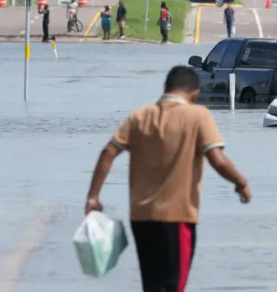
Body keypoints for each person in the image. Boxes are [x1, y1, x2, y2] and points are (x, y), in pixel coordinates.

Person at [84, 66, 251, 292]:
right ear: (195, 94)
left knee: (152, 287)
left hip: (141, 218)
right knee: (173, 286)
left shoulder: (140, 116)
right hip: (178, 217)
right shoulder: (198, 115)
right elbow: (218, 160)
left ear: (164, 88)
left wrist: (93, 197)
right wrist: (241, 183)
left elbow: (108, 153)